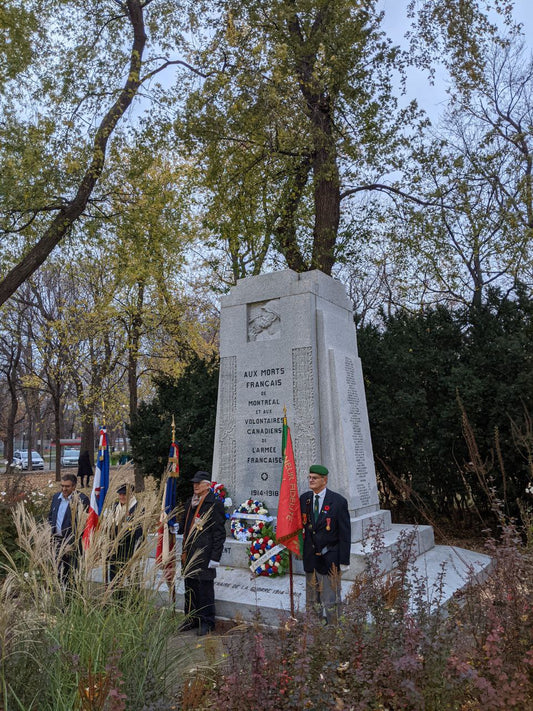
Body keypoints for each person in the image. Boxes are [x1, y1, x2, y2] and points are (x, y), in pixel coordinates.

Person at [300, 464, 351, 624]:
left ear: (324, 480)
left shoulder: (338, 502)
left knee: (331, 602)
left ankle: (334, 634)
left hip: (330, 559)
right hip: (310, 558)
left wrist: (344, 560)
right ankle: (315, 634)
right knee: (312, 602)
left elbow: (345, 533)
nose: (311, 480)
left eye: (315, 478)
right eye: (309, 477)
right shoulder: (305, 499)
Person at [178, 471, 226, 636]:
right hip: (189, 553)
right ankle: (191, 618)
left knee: (205, 589)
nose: (195, 485)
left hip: (205, 554)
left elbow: (219, 533)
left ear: (208, 485)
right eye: (194, 483)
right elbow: (183, 525)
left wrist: (215, 557)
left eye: (199, 483)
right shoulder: (189, 502)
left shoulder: (215, 504)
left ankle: (207, 622)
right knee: (190, 587)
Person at [48, 474, 90, 584]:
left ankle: (70, 599)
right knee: (59, 573)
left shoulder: (82, 499)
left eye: (67, 486)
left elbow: (82, 525)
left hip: (72, 544)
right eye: (62, 486)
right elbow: (51, 517)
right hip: (57, 542)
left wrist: (71, 543)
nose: (64, 489)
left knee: (72, 576)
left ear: (74, 486)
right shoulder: (56, 497)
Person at [108, 483, 144, 585]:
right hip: (115, 549)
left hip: (129, 549)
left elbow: (139, 532)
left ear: (131, 495)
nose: (121, 497)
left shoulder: (138, 508)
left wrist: (136, 551)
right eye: (120, 494)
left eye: (124, 494)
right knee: (114, 578)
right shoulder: (115, 506)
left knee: (131, 580)